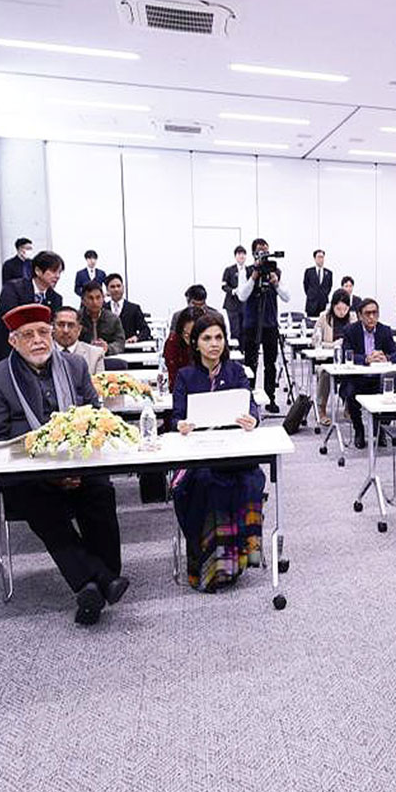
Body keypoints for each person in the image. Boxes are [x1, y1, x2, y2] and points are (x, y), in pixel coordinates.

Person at [0, 304, 127, 625]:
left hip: (80, 467)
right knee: (43, 506)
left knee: (101, 493)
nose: (38, 341)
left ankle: (97, 584)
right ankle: (98, 579)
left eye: (43, 332)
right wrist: (47, 468)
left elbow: (97, 416)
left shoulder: (74, 366)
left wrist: (73, 464)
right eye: (28, 335)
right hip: (27, 475)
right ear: (12, 341)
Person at [171, 314, 267, 592]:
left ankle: (235, 561)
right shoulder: (186, 376)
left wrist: (253, 419)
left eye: (218, 338)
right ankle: (210, 563)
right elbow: (176, 416)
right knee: (203, 483)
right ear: (195, 343)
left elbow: (251, 406)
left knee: (249, 481)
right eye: (206, 338)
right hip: (199, 452)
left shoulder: (235, 372)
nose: (214, 344)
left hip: (234, 450)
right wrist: (181, 424)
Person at [0, 250, 64, 369]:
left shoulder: (55, 299)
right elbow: (11, 320)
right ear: (38, 271)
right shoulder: (13, 288)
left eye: (59, 272)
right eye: (53, 271)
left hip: (30, 355)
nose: (57, 276)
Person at [338, 297, 396, 449]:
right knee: (351, 394)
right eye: (368, 313)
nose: (372, 317)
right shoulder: (350, 330)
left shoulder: (384, 330)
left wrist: (385, 357)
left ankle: (380, 430)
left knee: (390, 395)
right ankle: (359, 430)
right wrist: (366, 358)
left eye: (375, 313)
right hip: (358, 378)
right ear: (360, 315)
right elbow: (347, 354)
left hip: (378, 378)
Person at [235, 238, 289, 413]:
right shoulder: (247, 271)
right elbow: (242, 296)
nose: (264, 254)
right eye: (260, 251)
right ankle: (249, 398)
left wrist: (276, 283)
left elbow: (287, 297)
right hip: (251, 324)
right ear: (253, 254)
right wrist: (254, 277)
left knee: (270, 363)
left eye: (266, 251)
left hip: (270, 323)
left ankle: (270, 397)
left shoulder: (275, 271)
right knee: (250, 363)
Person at [311, 289, 355, 426]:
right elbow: (315, 341)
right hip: (326, 360)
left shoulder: (352, 318)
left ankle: (349, 407)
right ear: (333, 306)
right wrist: (332, 345)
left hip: (346, 360)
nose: (342, 312)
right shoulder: (324, 317)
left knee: (355, 374)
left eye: (345, 308)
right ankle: (322, 409)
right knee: (325, 374)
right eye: (338, 308)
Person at [51, 306, 106, 374]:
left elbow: (98, 383)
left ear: (79, 329)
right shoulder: (42, 353)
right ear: (53, 328)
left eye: (71, 325)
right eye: (61, 325)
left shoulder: (95, 354)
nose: (66, 330)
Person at [77, 282, 126, 354]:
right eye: (90, 298)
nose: (95, 302)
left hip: (106, 357)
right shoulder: (76, 319)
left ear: (103, 298)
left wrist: (108, 348)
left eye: (98, 297)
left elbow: (120, 343)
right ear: (83, 300)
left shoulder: (113, 319)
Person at [103, 273, 148, 342]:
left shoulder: (134, 308)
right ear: (107, 290)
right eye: (112, 287)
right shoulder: (102, 309)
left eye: (118, 286)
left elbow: (145, 330)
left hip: (131, 349)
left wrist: (136, 338)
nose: (116, 289)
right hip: (109, 350)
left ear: (123, 288)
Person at [163, 308, 198, 389]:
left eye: (193, 334)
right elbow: (173, 377)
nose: (188, 338)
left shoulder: (208, 342)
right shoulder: (173, 342)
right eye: (185, 333)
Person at [221, 245, 248, 348]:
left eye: (243, 254)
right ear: (235, 256)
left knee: (245, 329)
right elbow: (223, 286)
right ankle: (235, 353)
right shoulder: (229, 270)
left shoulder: (249, 270)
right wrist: (232, 291)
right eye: (239, 254)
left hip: (245, 304)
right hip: (232, 304)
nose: (241, 256)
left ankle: (244, 352)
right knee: (235, 329)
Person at [303, 249, 333, 319]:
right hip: (311, 304)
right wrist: (312, 295)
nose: (321, 259)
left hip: (323, 304)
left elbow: (329, 287)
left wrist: (323, 295)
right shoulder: (309, 272)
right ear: (314, 258)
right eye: (319, 257)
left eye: (322, 257)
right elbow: (306, 286)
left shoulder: (329, 273)